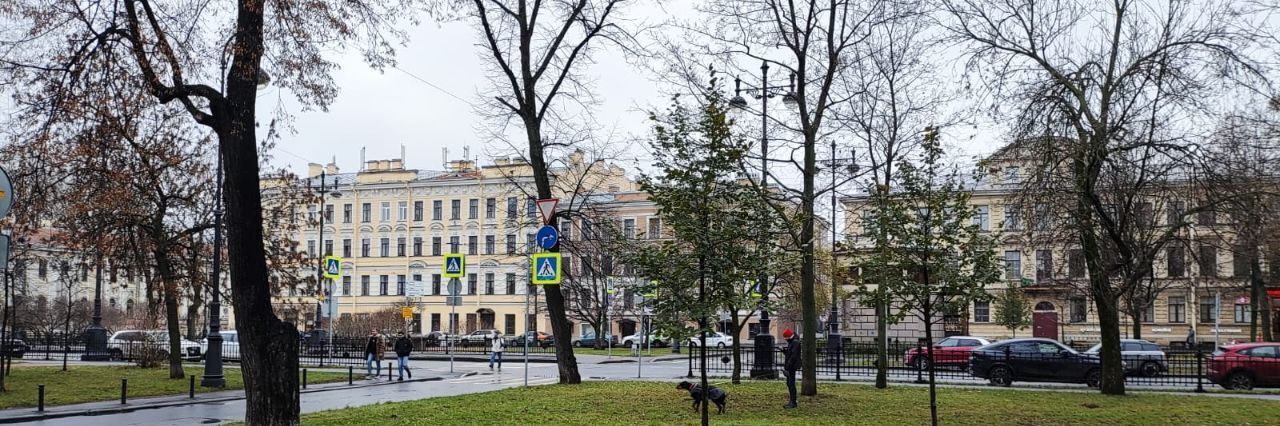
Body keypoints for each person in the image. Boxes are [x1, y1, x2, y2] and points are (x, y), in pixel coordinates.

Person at [781, 328, 800, 409]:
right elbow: (790, 354)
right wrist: (784, 351)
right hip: (790, 366)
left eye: (786, 338)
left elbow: (793, 356)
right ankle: (792, 401)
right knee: (789, 384)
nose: (785, 340)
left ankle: (793, 402)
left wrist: (788, 367)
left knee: (791, 384)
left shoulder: (795, 343)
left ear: (789, 337)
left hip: (791, 367)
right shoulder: (792, 342)